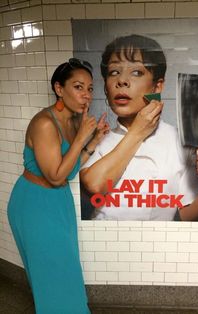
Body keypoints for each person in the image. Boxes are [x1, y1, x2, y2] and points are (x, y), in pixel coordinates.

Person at [80, 34, 198, 221]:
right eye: (114, 72)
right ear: (106, 88)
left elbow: (186, 216)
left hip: (156, 244)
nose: (122, 81)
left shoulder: (178, 140)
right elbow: (94, 186)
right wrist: (138, 132)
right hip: (105, 244)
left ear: (157, 86)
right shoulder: (96, 138)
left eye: (136, 72)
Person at [7, 58, 109, 313]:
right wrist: (82, 139)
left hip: (57, 201)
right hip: (34, 204)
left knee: (66, 269)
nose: (86, 95)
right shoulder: (44, 123)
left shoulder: (73, 122)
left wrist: (92, 143)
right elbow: (53, 176)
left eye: (89, 88)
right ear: (59, 88)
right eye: (78, 87)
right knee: (51, 272)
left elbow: (68, 172)